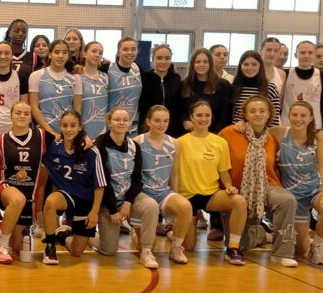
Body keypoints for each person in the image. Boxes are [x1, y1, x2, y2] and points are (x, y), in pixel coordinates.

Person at [221, 96, 299, 267]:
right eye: (253, 111)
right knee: (241, 246)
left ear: (269, 114)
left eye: (262, 111)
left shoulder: (271, 139)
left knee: (287, 199)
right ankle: (261, 234)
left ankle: (281, 253)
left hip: (267, 186)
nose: (258, 114)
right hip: (237, 189)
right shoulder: (229, 133)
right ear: (245, 115)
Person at [176, 100, 249, 265]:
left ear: (211, 117)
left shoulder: (220, 142)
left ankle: (233, 248)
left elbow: (224, 172)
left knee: (239, 201)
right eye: (199, 115)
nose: (203, 119)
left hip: (210, 195)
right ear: (191, 118)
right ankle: (173, 230)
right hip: (187, 197)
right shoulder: (180, 142)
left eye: (207, 115)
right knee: (189, 247)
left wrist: (229, 186)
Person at [94, 107, 161, 269]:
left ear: (130, 123)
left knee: (151, 205)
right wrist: (113, 210)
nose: (121, 123)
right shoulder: (100, 145)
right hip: (107, 200)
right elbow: (102, 181)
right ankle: (91, 238)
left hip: (127, 197)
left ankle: (146, 251)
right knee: (109, 251)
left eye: (125, 120)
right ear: (109, 122)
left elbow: (137, 179)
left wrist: (128, 202)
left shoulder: (134, 146)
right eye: (117, 119)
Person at [273, 101, 323, 265]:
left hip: (313, 190)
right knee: (301, 251)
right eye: (294, 115)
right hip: (293, 197)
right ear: (288, 116)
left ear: (311, 118)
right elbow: (256, 129)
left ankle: (317, 246)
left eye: (303, 115)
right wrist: (242, 124)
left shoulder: (319, 136)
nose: (298, 119)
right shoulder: (279, 133)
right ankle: (271, 234)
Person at [41, 110, 105, 265]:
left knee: (77, 252)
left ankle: (62, 235)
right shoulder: (53, 147)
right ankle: (50, 246)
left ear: (80, 127)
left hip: (85, 201)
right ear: (60, 127)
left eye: (73, 125)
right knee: (50, 202)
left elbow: (100, 185)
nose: (68, 129)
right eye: (65, 125)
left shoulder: (91, 151)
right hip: (65, 195)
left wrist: (94, 212)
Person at [0, 101, 47, 264]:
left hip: (29, 194)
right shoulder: (0, 139)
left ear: (31, 117)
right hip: (5, 184)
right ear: (11, 116)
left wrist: (84, 137)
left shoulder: (41, 136)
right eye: (18, 113)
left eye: (26, 113)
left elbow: (66, 140)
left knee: (17, 248)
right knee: (17, 199)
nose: (22, 116)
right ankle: (1, 246)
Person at [134, 105, 193, 265]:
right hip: (143, 194)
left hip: (163, 192)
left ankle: (176, 248)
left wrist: (176, 195)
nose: (161, 124)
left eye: (165, 121)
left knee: (185, 206)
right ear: (148, 121)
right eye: (157, 120)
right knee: (147, 246)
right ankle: (138, 237)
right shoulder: (137, 142)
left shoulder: (174, 143)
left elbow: (174, 173)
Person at [29, 39, 82, 140]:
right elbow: (34, 107)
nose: (60, 56)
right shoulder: (36, 76)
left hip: (68, 133)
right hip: (44, 132)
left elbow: (77, 108)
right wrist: (50, 132)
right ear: (50, 54)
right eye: (57, 52)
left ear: (68, 56)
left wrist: (70, 129)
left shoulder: (75, 78)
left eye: (64, 52)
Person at [281, 40, 323, 132]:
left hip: (313, 127)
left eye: (310, 53)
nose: (306, 56)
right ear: (295, 55)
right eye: (302, 52)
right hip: (288, 126)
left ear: (314, 55)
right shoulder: (285, 74)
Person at [181, 47, 232, 134]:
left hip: (215, 134)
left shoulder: (224, 85)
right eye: (198, 62)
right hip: (189, 134)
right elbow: (179, 108)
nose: (201, 65)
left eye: (205, 62)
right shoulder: (184, 85)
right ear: (193, 64)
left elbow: (226, 114)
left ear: (210, 64)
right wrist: (184, 120)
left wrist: (216, 134)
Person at [140, 44, 184, 137]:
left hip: (172, 128)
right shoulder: (144, 78)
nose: (163, 62)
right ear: (153, 59)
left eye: (167, 58)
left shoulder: (176, 78)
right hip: (149, 128)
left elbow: (179, 104)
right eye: (159, 58)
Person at [230, 49, 281, 124]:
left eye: (254, 64)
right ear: (241, 67)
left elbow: (274, 120)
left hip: (262, 130)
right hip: (236, 130)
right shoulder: (233, 88)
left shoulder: (270, 89)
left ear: (260, 66)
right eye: (246, 64)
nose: (250, 68)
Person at [107, 37, 143, 135]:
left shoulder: (138, 69)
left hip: (132, 127)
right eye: (125, 49)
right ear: (118, 51)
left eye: (133, 49)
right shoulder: (107, 69)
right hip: (112, 128)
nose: (129, 52)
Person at [79, 40, 109, 140]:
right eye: (94, 51)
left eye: (100, 53)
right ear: (84, 53)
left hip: (102, 130)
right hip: (83, 130)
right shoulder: (76, 77)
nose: (97, 55)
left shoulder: (105, 77)